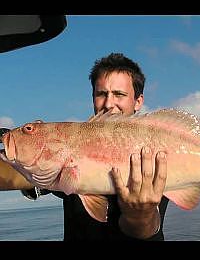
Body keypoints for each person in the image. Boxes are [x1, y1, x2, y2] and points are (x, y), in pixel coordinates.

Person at [1, 52, 169, 240]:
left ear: (138, 101)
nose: (108, 103)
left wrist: (141, 215)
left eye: (119, 94)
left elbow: (147, 230)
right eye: (101, 94)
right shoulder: (68, 145)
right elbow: (13, 175)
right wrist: (29, 145)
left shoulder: (156, 149)